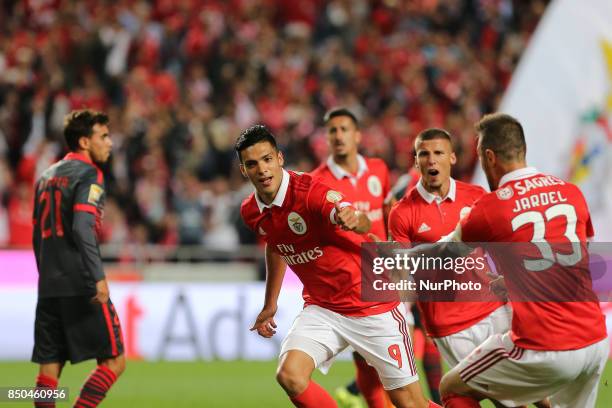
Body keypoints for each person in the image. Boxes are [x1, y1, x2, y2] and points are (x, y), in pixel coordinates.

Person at [238, 125, 441, 408]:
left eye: (267, 159)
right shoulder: (251, 210)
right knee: (290, 375)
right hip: (323, 309)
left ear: (280, 158)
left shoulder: (310, 192)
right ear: (243, 170)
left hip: (371, 305)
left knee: (409, 403)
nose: (262, 169)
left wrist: (351, 218)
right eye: (252, 164)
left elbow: (358, 218)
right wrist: (270, 303)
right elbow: (275, 244)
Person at [434, 113, 608, 407]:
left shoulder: (490, 207)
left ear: (489, 157)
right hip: (594, 342)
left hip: (546, 346)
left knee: (452, 387)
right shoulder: (571, 193)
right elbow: (573, 256)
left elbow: (444, 257)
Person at [31, 109, 125, 408]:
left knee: (50, 369)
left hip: (49, 284)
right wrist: (98, 277)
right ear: (85, 142)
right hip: (81, 282)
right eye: (104, 136)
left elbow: (37, 236)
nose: (110, 143)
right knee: (114, 361)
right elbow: (82, 226)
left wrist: (46, 274)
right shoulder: (89, 174)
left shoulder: (45, 176)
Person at [311, 107, 393, 408]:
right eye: (332, 130)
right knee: (369, 362)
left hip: (386, 271)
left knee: (399, 360)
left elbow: (387, 212)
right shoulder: (316, 182)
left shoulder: (379, 170)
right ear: (326, 138)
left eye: (344, 129)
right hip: (351, 282)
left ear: (357, 135)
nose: (338, 135)